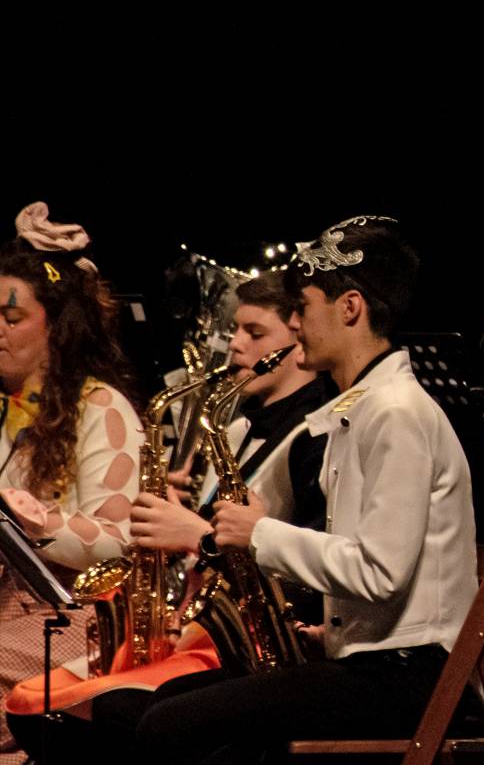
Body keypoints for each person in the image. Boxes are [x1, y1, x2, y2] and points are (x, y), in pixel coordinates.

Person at [134, 215, 478, 764]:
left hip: (411, 677)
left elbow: (380, 571)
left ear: (350, 308)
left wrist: (258, 534)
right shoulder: (357, 408)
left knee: (169, 726)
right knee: (167, 705)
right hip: (374, 663)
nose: (295, 324)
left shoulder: (395, 412)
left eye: (305, 306)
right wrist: (331, 630)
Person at [3, 270, 335, 761]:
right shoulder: (241, 425)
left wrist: (196, 535)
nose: (236, 345)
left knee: (113, 715)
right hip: (200, 626)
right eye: (237, 330)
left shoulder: (315, 433)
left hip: (259, 643)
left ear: (297, 339)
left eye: (255, 333)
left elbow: (312, 565)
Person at [0, 202, 143, 764]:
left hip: (75, 619)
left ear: (55, 325)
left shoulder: (99, 408)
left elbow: (119, 542)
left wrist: (37, 521)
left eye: (11, 318)